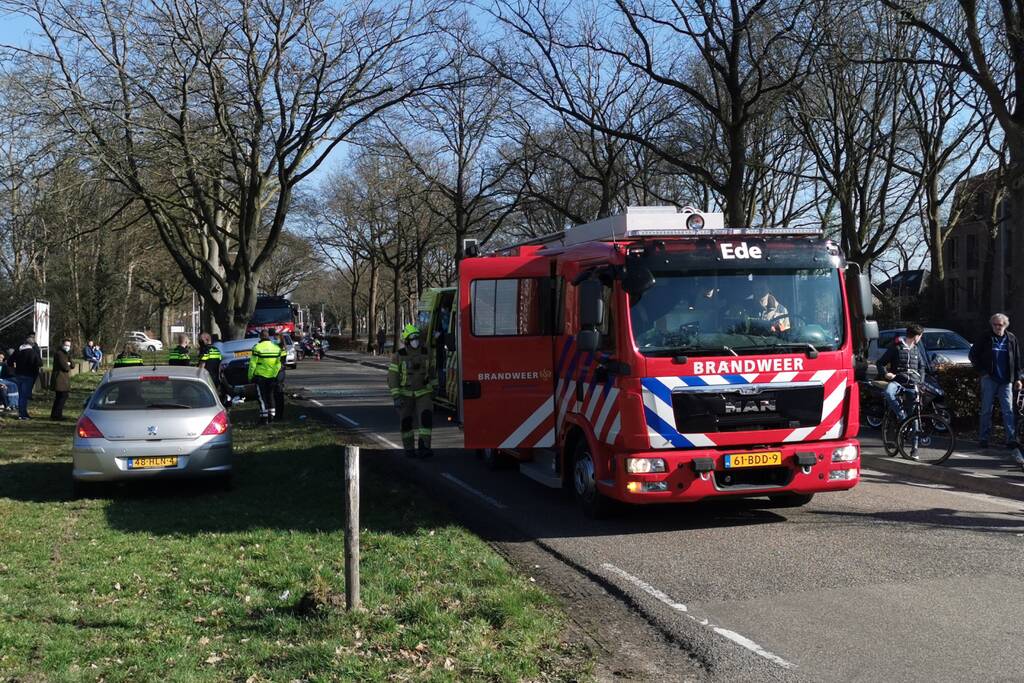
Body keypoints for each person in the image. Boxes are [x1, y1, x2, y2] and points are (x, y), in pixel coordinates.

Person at [968, 313, 1024, 450]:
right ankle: (983, 439)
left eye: (1000, 324)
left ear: (1005, 325)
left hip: (1006, 380)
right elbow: (973, 355)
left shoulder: (1011, 338)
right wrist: (984, 372)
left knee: (1008, 411)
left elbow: (1017, 359)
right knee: (986, 410)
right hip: (990, 379)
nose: (997, 327)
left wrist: (1018, 378)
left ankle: (1011, 440)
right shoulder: (985, 337)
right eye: (995, 324)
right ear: (991, 324)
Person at [387, 324, 435, 459]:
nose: (415, 340)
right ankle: (409, 449)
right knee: (406, 422)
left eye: (417, 337)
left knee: (426, 418)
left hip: (423, 392)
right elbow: (392, 377)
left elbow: (432, 372)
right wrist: (396, 396)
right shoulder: (398, 356)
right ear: (407, 341)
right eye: (412, 338)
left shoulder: (426, 353)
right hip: (405, 395)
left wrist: (435, 388)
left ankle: (424, 447)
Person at [876, 323, 929, 426]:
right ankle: (902, 417)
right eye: (920, 336)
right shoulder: (896, 348)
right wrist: (886, 374)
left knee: (914, 413)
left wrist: (920, 382)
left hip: (913, 383)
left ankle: (915, 439)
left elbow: (922, 367)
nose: (920, 339)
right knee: (888, 392)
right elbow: (880, 363)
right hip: (897, 381)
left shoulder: (916, 349)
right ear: (916, 336)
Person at [248, 329, 283, 425]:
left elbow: (252, 364)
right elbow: (278, 364)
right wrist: (275, 374)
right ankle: (272, 416)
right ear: (268, 336)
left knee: (262, 397)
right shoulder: (276, 348)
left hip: (260, 376)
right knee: (271, 395)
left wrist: (250, 376)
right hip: (272, 376)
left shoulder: (257, 347)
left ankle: (264, 418)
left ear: (260, 337)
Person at [10, 332, 42, 420]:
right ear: (32, 344)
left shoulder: (18, 350)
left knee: (21, 395)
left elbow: (10, 361)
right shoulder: (32, 352)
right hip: (28, 376)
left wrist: (15, 367)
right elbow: (39, 363)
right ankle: (22, 414)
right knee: (24, 396)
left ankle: (22, 412)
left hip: (18, 374)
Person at [196, 333, 225, 403]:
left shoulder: (206, 350)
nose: (199, 342)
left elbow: (202, 364)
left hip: (207, 376)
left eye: (200, 340)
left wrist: (198, 375)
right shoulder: (217, 350)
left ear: (205, 340)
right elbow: (220, 364)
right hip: (216, 376)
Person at [50, 338, 74, 420]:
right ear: (62, 345)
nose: (67, 347)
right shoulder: (60, 354)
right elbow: (65, 367)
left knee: (60, 397)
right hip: (60, 379)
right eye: (66, 345)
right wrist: (68, 364)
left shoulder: (66, 354)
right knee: (61, 397)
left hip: (63, 379)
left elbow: (73, 365)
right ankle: (57, 415)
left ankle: (55, 414)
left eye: (69, 345)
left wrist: (69, 362)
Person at [268, 329, 288, 420]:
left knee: (275, 394)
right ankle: (278, 414)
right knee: (277, 394)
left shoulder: (276, 346)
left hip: (275, 372)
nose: (274, 337)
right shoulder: (279, 346)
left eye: (275, 335)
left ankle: (277, 414)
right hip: (278, 372)